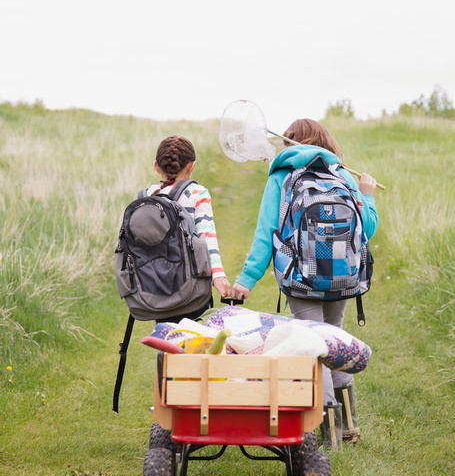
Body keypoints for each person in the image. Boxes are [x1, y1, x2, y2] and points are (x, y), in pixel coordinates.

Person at [230, 118, 379, 440]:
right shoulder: (341, 175)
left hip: (301, 278)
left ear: (291, 143)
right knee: (333, 338)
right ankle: (348, 425)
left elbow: (265, 233)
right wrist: (367, 195)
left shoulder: (283, 178)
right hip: (343, 279)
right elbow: (365, 230)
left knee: (314, 349)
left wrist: (246, 279)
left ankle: (327, 435)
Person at [143, 135, 231, 320]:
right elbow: (207, 239)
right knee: (194, 339)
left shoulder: (146, 197)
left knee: (168, 336)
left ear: (156, 166)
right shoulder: (197, 194)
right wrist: (218, 275)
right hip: (192, 289)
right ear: (191, 166)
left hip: (156, 288)